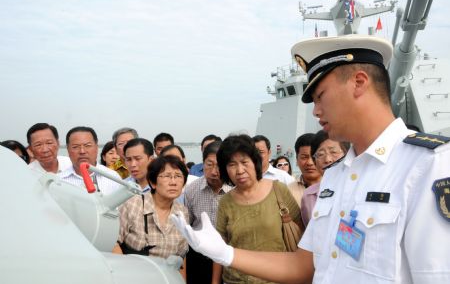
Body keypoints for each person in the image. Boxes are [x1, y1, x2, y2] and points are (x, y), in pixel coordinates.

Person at [171, 35, 450, 283]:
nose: (316, 111)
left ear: (359, 82)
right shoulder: (338, 175)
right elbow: (304, 265)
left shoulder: (428, 166)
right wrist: (226, 253)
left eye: (320, 96)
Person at [212, 134, 301, 284]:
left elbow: (301, 229)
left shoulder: (278, 190)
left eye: (244, 162)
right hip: (235, 280)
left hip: (276, 278)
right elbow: (220, 246)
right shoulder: (225, 202)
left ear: (255, 162)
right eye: (232, 164)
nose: (239, 170)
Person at [113, 155, 189, 279]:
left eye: (178, 176)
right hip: (132, 277)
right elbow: (113, 242)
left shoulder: (182, 213)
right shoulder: (133, 205)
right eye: (167, 176)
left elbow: (181, 256)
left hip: (165, 278)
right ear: (153, 183)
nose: (173, 182)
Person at [184, 141, 233, 284]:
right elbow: (189, 223)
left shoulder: (235, 190)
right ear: (203, 163)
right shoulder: (192, 189)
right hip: (200, 256)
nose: (213, 171)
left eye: (218, 165)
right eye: (209, 164)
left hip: (229, 255)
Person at [300, 130, 349, 226]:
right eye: (321, 154)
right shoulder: (309, 195)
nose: (328, 160)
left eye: (333, 152)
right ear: (315, 161)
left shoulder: (361, 187)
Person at [59, 126, 120, 195]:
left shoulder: (113, 177)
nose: (82, 151)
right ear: (68, 150)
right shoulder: (58, 181)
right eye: (75, 147)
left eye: (87, 145)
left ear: (96, 148)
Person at [288, 133, 323, 207]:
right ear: (297, 160)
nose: (310, 163)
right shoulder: (288, 191)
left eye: (314, 156)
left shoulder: (335, 187)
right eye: (304, 157)